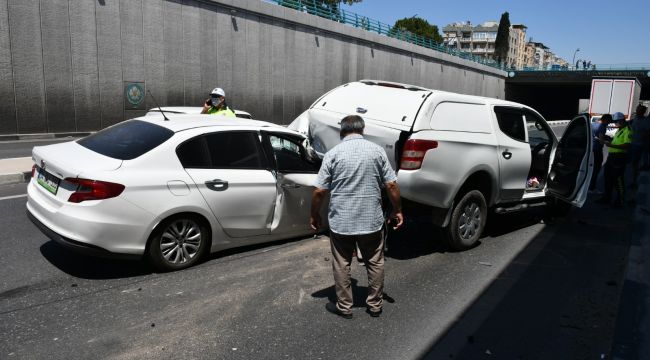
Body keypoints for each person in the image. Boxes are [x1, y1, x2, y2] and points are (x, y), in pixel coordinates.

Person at [310, 115, 403, 319]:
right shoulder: (377, 152)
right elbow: (392, 185)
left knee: (342, 262)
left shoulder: (332, 154)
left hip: (342, 222)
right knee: (375, 261)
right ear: (362, 130)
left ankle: (345, 307)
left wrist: (314, 214)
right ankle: (375, 305)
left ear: (342, 131)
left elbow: (319, 191)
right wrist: (397, 209)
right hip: (371, 221)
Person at [597, 112, 633, 207]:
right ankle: (607, 197)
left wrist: (611, 145)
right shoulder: (619, 129)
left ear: (621, 120)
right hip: (612, 156)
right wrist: (609, 140)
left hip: (619, 157)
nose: (615, 124)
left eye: (616, 122)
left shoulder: (627, 130)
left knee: (618, 179)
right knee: (607, 177)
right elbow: (615, 140)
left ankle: (620, 200)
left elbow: (627, 145)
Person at [589, 113, 612, 193]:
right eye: (608, 122)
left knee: (590, 169)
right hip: (597, 150)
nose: (608, 124)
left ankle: (588, 186)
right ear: (606, 120)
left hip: (590, 149)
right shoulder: (602, 126)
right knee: (596, 169)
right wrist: (606, 141)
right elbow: (601, 141)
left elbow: (594, 135)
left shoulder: (593, 124)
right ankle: (592, 188)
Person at [630, 104, 649, 188]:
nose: (637, 111)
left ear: (643, 112)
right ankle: (634, 180)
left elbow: (648, 133)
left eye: (639, 110)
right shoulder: (635, 119)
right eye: (637, 109)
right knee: (634, 164)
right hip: (633, 144)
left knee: (635, 164)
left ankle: (635, 182)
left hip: (640, 145)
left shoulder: (646, 121)